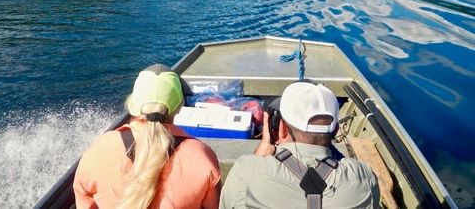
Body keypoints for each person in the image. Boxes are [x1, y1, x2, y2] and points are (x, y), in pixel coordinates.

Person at [74, 64, 221, 209]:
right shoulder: (201, 156)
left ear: (134, 103)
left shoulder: (101, 148)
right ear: (179, 106)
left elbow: (83, 198)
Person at [220, 81, 380, 209]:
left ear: (282, 128)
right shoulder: (364, 177)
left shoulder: (246, 170)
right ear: (336, 130)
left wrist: (264, 146)